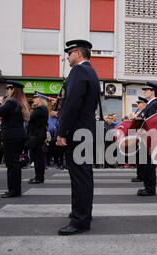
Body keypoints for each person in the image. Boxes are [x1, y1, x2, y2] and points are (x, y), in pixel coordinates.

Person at [55, 39, 100, 236]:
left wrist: (62, 131)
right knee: (84, 174)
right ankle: (82, 214)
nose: (67, 57)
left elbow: (72, 103)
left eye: (69, 53)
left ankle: (80, 219)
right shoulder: (91, 71)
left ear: (78, 53)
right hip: (85, 129)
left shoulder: (79, 71)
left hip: (78, 131)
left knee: (80, 176)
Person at [0, 81, 29, 198]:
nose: (7, 91)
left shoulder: (11, 102)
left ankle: (13, 190)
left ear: (13, 90)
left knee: (11, 164)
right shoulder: (18, 102)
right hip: (17, 136)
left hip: (11, 137)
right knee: (15, 164)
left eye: (8, 88)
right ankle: (15, 189)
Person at [136, 82, 157, 196]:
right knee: (147, 164)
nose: (144, 92)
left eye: (146, 90)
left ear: (153, 92)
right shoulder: (151, 104)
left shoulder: (155, 104)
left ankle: (150, 189)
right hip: (146, 138)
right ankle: (148, 187)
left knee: (149, 165)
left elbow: (153, 123)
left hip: (150, 139)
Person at [26, 91, 49, 184]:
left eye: (36, 98)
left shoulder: (41, 109)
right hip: (37, 135)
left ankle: (39, 177)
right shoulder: (40, 109)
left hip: (37, 135)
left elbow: (29, 117)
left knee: (38, 157)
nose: (33, 99)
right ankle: (38, 176)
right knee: (36, 156)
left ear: (41, 99)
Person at [130, 97, 148, 183]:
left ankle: (142, 176)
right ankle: (140, 175)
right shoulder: (140, 112)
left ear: (144, 104)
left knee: (142, 158)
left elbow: (142, 122)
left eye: (139, 103)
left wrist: (135, 117)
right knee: (139, 158)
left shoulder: (144, 112)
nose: (138, 105)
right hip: (138, 137)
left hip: (143, 137)